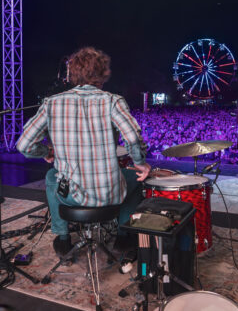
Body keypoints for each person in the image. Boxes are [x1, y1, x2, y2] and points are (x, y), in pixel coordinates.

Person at [16, 47, 151, 256]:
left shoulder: (51, 104)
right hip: (110, 194)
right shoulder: (113, 101)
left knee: (52, 176)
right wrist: (140, 163)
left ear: (71, 74)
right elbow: (133, 138)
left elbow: (24, 145)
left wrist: (45, 152)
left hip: (72, 197)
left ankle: (63, 238)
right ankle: (124, 237)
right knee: (137, 178)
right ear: (102, 74)